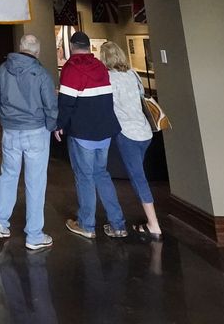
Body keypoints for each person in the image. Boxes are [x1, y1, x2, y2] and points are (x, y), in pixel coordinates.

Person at [55, 31, 127, 239]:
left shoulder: (71, 68)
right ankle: (118, 224)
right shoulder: (101, 68)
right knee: (102, 175)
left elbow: (66, 102)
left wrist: (60, 125)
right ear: (88, 47)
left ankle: (86, 225)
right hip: (104, 132)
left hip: (82, 133)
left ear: (72, 46)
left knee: (84, 177)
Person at [0, 34, 59, 251]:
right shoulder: (41, 74)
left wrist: (5, 117)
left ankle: (0, 223)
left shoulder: (3, 70)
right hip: (36, 131)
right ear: (37, 52)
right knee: (35, 182)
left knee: (8, 176)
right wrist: (50, 125)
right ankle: (34, 235)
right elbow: (50, 106)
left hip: (10, 131)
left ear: (20, 48)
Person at [100, 41, 163, 241]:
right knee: (139, 174)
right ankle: (151, 220)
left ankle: (153, 224)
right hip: (145, 131)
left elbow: (107, 105)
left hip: (128, 133)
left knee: (138, 178)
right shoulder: (133, 74)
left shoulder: (109, 78)